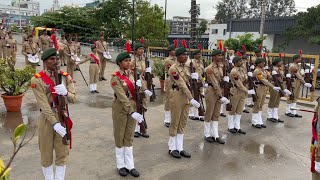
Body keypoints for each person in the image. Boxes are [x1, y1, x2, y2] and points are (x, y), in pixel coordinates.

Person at [30, 48, 77, 180]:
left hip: (63, 116)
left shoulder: (66, 76)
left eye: (56, 58)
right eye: (51, 59)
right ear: (44, 62)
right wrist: (54, 122)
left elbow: (74, 98)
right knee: (46, 153)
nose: (55, 61)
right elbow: (43, 104)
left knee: (62, 152)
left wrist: (66, 93)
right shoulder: (37, 80)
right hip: (47, 119)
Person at [110, 52, 144, 177]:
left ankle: (130, 165)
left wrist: (142, 88)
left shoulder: (133, 74)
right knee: (120, 135)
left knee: (129, 136)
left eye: (130, 60)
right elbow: (122, 96)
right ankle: (121, 165)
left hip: (133, 108)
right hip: (121, 109)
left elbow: (138, 92)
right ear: (119, 63)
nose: (129, 62)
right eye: (126, 61)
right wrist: (131, 111)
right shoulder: (115, 77)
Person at [167, 47, 200, 158]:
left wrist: (196, 78)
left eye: (187, 55)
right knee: (175, 121)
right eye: (183, 55)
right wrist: (191, 98)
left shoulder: (188, 67)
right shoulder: (173, 68)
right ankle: (172, 148)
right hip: (177, 95)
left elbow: (190, 82)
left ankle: (180, 147)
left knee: (183, 122)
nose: (186, 56)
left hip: (186, 96)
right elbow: (181, 84)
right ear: (177, 56)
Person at [203, 50, 229, 144]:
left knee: (216, 113)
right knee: (209, 113)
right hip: (211, 91)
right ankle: (207, 134)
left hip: (219, 91)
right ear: (213, 57)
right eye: (218, 55)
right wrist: (220, 95)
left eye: (221, 55)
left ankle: (215, 134)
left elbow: (221, 80)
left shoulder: (221, 66)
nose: (221, 57)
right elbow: (214, 83)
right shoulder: (209, 68)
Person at [251, 58, 281, 128]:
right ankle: (254, 122)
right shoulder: (257, 71)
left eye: (264, 62)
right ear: (258, 64)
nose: (263, 64)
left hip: (264, 88)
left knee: (261, 105)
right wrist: (273, 86)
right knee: (257, 105)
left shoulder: (263, 70)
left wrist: (273, 75)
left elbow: (268, 78)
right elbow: (263, 80)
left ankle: (259, 121)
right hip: (258, 88)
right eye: (262, 63)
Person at [131, 43, 152, 138]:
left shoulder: (144, 60)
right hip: (136, 84)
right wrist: (135, 82)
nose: (142, 51)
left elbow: (145, 73)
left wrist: (149, 73)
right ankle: (137, 129)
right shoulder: (132, 60)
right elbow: (130, 73)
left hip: (144, 85)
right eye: (140, 49)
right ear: (135, 51)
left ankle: (141, 125)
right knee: (137, 106)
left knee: (143, 105)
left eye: (142, 49)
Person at [227, 56, 252, 134]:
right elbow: (239, 84)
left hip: (242, 92)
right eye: (240, 61)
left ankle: (237, 126)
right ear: (235, 62)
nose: (242, 63)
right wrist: (248, 91)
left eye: (242, 61)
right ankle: (230, 126)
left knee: (240, 109)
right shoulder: (234, 71)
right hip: (235, 91)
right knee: (233, 109)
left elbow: (245, 80)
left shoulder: (242, 70)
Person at [267, 57, 291, 122]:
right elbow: (269, 78)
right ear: (277, 63)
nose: (282, 63)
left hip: (280, 86)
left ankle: (275, 116)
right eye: (280, 62)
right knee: (272, 101)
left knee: (277, 102)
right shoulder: (272, 69)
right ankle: (269, 116)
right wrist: (272, 75)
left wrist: (287, 76)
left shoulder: (280, 69)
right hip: (274, 86)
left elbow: (282, 78)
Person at [188, 49, 205, 121]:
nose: (199, 55)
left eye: (200, 54)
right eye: (198, 54)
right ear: (194, 55)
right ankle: (191, 113)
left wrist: (204, 80)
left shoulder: (201, 62)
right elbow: (188, 72)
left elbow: (203, 72)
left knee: (200, 97)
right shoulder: (191, 62)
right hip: (193, 82)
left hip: (200, 81)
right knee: (193, 97)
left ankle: (198, 114)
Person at [163, 44, 177, 127]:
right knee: (168, 98)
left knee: (176, 98)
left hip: (178, 79)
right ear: (170, 51)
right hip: (170, 80)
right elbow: (170, 71)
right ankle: (167, 119)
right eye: (173, 50)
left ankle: (174, 116)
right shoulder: (168, 60)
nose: (175, 51)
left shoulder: (177, 59)